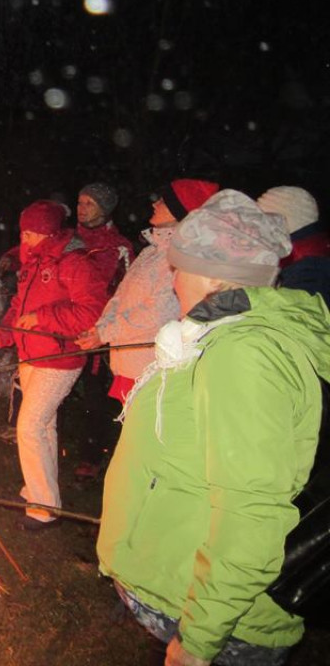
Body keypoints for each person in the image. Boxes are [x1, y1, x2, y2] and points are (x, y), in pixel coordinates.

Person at [98, 189, 329, 666]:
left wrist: (201, 640)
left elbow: (252, 511)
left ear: (209, 273)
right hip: (177, 581)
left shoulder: (244, 355)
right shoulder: (220, 337)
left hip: (220, 624)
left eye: (178, 266)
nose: (173, 277)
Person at [74, 179, 219, 479]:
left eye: (164, 202)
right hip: (127, 362)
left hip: (148, 364)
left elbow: (158, 311)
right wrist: (100, 328)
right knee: (134, 440)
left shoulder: (179, 255)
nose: (154, 204)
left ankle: (145, 497)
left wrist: (107, 333)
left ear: (181, 213)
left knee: (146, 445)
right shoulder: (152, 250)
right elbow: (122, 296)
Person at [0, 200, 108, 530]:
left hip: (59, 358)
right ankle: (39, 490)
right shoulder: (34, 263)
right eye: (23, 233)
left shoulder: (75, 262)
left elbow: (91, 313)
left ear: (49, 233)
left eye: (32, 233)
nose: (26, 240)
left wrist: (42, 318)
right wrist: (1, 337)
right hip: (31, 354)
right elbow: (18, 309)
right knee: (44, 427)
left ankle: (44, 508)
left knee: (30, 425)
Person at [256, 186, 329, 305]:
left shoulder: (311, 272)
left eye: (260, 222)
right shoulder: (296, 257)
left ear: (282, 223)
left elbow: (289, 314)